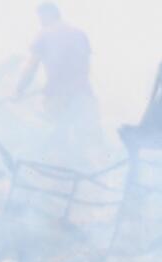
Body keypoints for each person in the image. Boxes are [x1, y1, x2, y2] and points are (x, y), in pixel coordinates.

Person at [16, 2, 101, 164]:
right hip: (84, 96)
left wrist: (19, 90)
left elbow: (31, 67)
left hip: (59, 98)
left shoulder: (44, 34)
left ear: (48, 14)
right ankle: (83, 168)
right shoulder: (80, 33)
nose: (39, 21)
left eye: (40, 17)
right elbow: (85, 67)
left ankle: (63, 168)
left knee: (59, 140)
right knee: (84, 142)